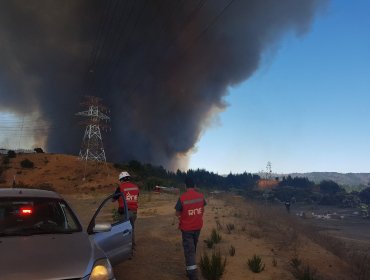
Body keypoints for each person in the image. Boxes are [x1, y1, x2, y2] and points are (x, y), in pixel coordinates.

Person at [175, 177, 206, 280]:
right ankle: (190, 270)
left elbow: (177, 213)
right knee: (192, 248)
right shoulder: (201, 196)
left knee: (189, 251)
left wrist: (183, 216)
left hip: (187, 229)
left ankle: (192, 276)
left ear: (185, 186)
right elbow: (202, 207)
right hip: (198, 227)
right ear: (195, 185)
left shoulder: (182, 198)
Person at [113, 171, 140, 246]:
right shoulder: (135, 187)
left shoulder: (120, 187)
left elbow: (113, 199)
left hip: (124, 212)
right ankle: (132, 246)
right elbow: (136, 196)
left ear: (121, 180)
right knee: (131, 229)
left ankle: (124, 248)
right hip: (134, 212)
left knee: (123, 230)